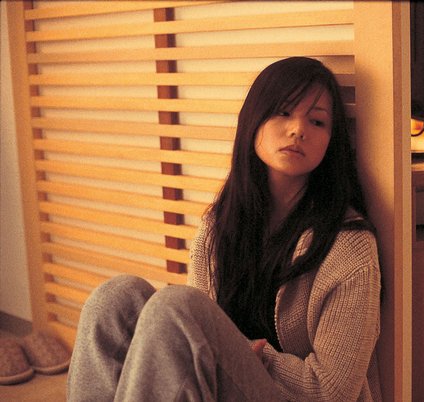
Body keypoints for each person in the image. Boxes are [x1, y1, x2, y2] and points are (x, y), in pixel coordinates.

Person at [67, 57, 382, 402]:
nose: (298, 129)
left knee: (177, 307)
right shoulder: (221, 223)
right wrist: (228, 349)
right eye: (283, 112)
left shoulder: (347, 245)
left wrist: (249, 354)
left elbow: (333, 391)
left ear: (331, 141)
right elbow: (197, 337)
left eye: (317, 121)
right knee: (116, 298)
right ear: (254, 120)